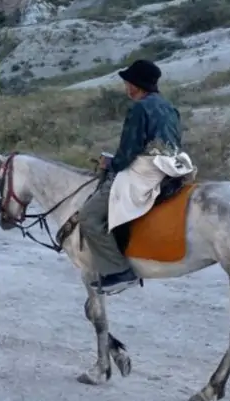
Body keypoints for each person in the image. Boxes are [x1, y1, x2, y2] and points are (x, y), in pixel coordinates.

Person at [79, 59, 194, 295]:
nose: (126, 88)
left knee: (89, 217)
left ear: (136, 86)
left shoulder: (139, 108)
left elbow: (128, 152)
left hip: (147, 170)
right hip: (172, 166)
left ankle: (119, 271)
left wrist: (110, 163)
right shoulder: (169, 106)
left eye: (128, 83)